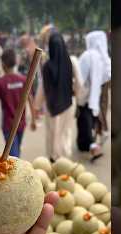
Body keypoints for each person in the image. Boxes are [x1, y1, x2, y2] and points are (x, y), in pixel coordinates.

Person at [35, 33, 80, 162]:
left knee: (52, 133)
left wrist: (37, 106)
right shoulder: (71, 61)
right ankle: (65, 158)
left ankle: (53, 158)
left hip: (51, 105)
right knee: (65, 132)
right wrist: (78, 97)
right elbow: (79, 83)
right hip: (68, 103)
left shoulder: (47, 66)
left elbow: (43, 87)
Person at [0, 49, 36, 158]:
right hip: (21, 123)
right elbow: (31, 101)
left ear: (3, 64)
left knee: (13, 155)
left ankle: (15, 172)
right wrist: (34, 119)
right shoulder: (23, 80)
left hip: (8, 125)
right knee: (15, 151)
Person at [77, 31, 111, 161]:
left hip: (86, 94)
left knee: (84, 118)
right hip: (98, 94)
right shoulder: (104, 58)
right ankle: (85, 144)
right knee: (90, 118)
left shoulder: (87, 56)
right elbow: (108, 75)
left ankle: (92, 146)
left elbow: (80, 76)